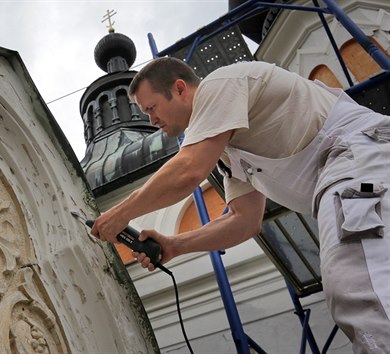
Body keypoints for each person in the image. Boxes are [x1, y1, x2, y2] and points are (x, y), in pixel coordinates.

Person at [90, 57, 390, 354]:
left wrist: (120, 213)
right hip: (356, 170)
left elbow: (189, 170)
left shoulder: (221, 86)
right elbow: (244, 221)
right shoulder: (230, 151)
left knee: (358, 281)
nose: (151, 120)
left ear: (180, 89)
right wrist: (175, 245)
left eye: (151, 108)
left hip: (360, 160)